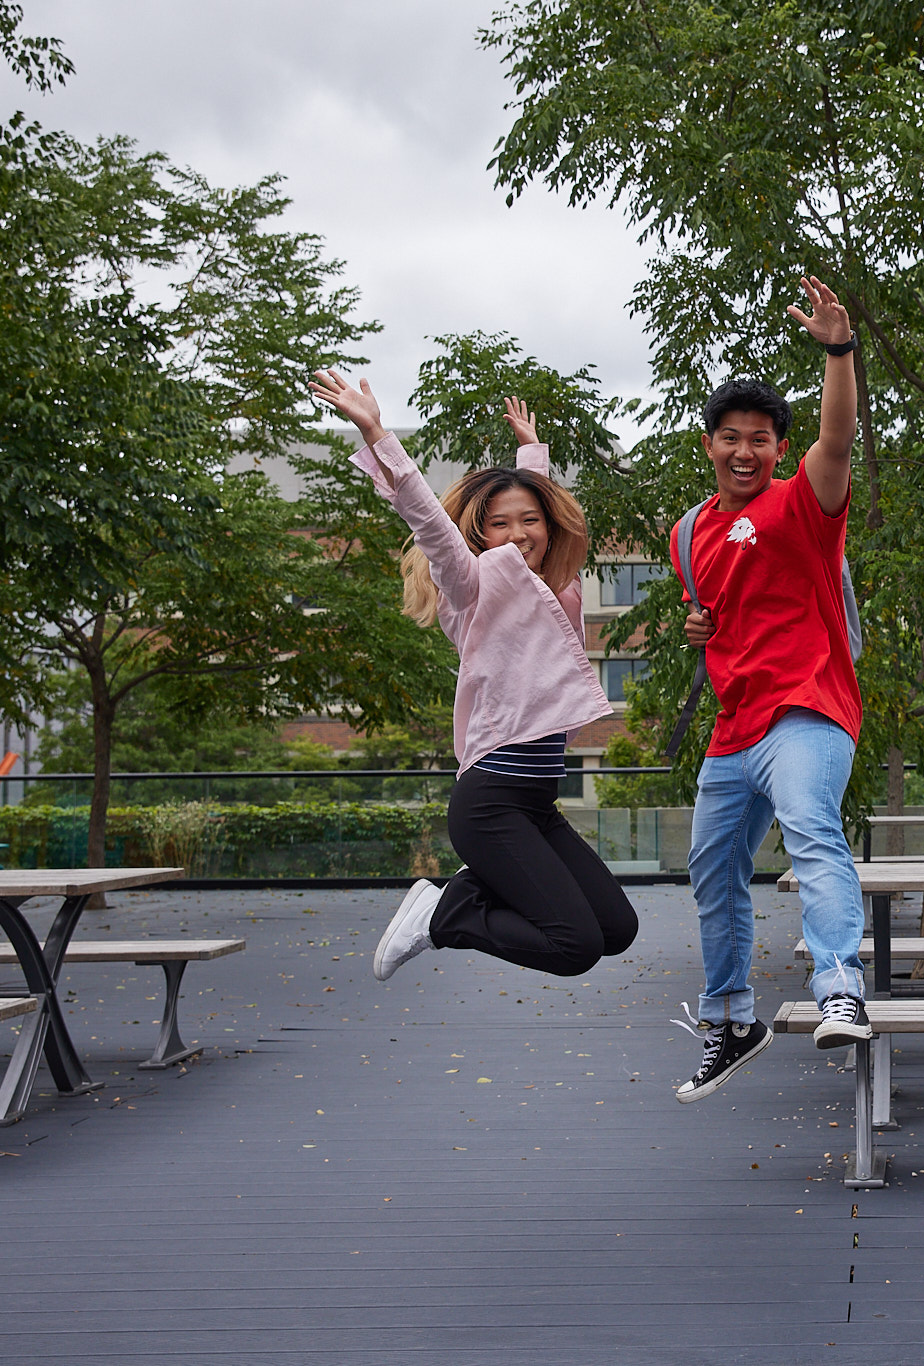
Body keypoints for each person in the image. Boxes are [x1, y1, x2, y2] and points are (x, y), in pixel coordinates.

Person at [309, 372, 638, 986]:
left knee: (616, 930)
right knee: (574, 946)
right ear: (479, 536)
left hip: (538, 804)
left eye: (531, 520)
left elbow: (534, 514)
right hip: (490, 804)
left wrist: (530, 456)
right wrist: (376, 432)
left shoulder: (558, 594)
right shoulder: (472, 587)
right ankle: (445, 917)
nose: (519, 534)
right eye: (500, 525)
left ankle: (462, 892)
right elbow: (428, 519)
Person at [671, 277, 872, 1104]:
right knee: (710, 870)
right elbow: (719, 607)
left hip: (808, 712)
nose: (744, 451)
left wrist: (837, 350)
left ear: (778, 449)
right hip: (734, 728)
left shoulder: (803, 501)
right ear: (710, 446)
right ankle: (731, 1020)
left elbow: (840, 434)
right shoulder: (688, 531)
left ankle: (840, 984)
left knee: (810, 829)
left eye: (760, 438)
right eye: (730, 438)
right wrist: (699, 627)